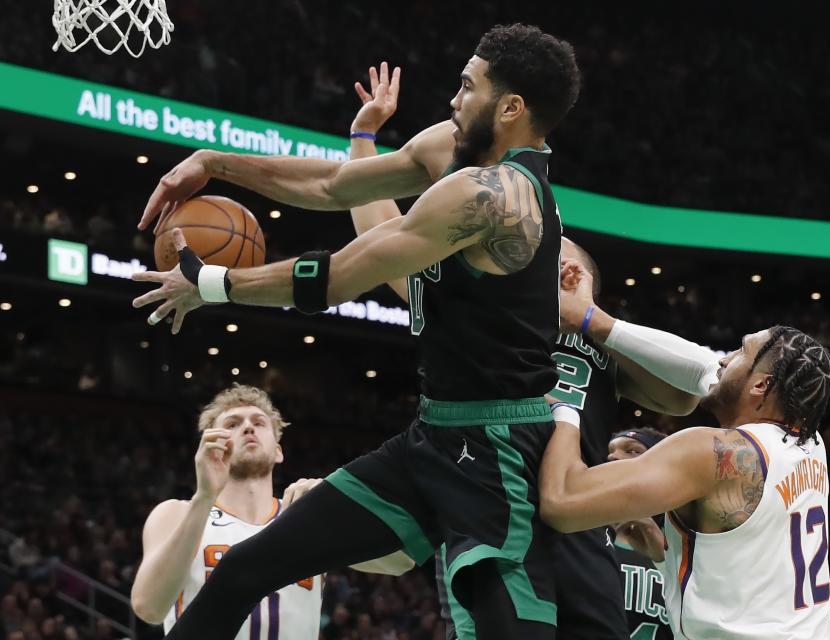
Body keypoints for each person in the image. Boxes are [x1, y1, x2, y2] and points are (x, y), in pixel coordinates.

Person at [134, 25, 581, 640]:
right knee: (242, 569)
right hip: (432, 438)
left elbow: (338, 276)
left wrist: (212, 284)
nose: (453, 99)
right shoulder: (447, 150)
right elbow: (333, 185)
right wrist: (215, 164)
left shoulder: (500, 197)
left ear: (510, 109)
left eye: (467, 86)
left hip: (499, 450)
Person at [344, 67, 695, 640]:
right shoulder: (491, 313)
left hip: (577, 535)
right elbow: (381, 242)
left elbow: (683, 396)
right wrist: (363, 140)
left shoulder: (610, 350)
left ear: (572, 272)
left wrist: (596, 325)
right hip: (487, 514)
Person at [540, 263, 830, 640]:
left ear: (761, 386)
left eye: (739, 352)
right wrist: (590, 318)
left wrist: (566, 408)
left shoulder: (716, 454)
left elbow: (562, 502)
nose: (723, 359)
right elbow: (699, 364)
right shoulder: (808, 443)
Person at [129, 384, 411, 637]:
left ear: (278, 450)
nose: (248, 428)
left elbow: (400, 563)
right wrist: (205, 496)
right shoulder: (178, 513)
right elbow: (149, 608)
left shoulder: (305, 518)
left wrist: (337, 511)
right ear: (211, 443)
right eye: (233, 423)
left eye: (258, 422)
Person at [606, 429, 673, 640]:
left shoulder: (687, 542)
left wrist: (667, 561)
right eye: (610, 451)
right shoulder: (579, 532)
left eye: (632, 451)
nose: (613, 457)